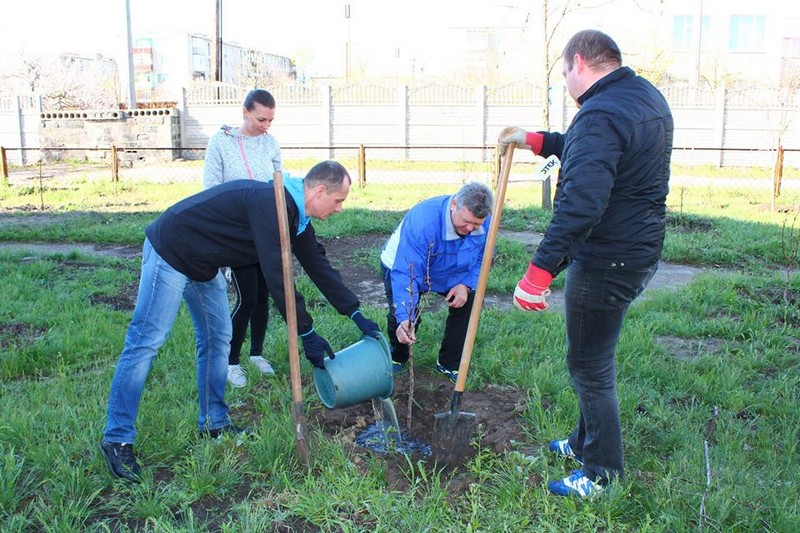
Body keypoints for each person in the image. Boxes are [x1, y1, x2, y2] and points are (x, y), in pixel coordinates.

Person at [99, 160, 381, 482]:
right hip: (172, 250)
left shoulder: (296, 217)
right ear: (319, 192)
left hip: (204, 263)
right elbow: (278, 276)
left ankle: (214, 423)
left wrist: (355, 313)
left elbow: (318, 266)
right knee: (145, 342)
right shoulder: (271, 205)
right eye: (339, 200)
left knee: (219, 340)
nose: (340, 208)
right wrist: (306, 332)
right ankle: (117, 440)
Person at [498, 29, 673, 498]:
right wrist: (537, 140)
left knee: (589, 367)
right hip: (638, 250)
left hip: (606, 258)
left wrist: (538, 274)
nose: (566, 84)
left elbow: (581, 204)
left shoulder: (600, 113)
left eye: (564, 74)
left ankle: (601, 474)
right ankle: (582, 443)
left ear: (578, 62)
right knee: (592, 357)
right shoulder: (642, 97)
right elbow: (594, 151)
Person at [203, 88, 282, 388]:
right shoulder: (220, 142)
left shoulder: (270, 143)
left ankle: (256, 354)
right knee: (247, 297)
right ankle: (231, 362)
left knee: (263, 296)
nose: (266, 126)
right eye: (261, 119)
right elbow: (210, 189)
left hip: (266, 233)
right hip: (236, 235)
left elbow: (278, 185)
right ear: (245, 112)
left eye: (271, 120)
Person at [380, 182, 494, 383]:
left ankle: (449, 363)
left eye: (476, 224)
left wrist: (466, 284)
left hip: (453, 267)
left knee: (468, 303)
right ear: (454, 204)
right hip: (403, 264)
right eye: (466, 221)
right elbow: (407, 271)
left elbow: (483, 257)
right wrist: (405, 316)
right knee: (404, 317)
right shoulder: (423, 222)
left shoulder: (486, 222)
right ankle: (398, 355)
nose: (470, 228)